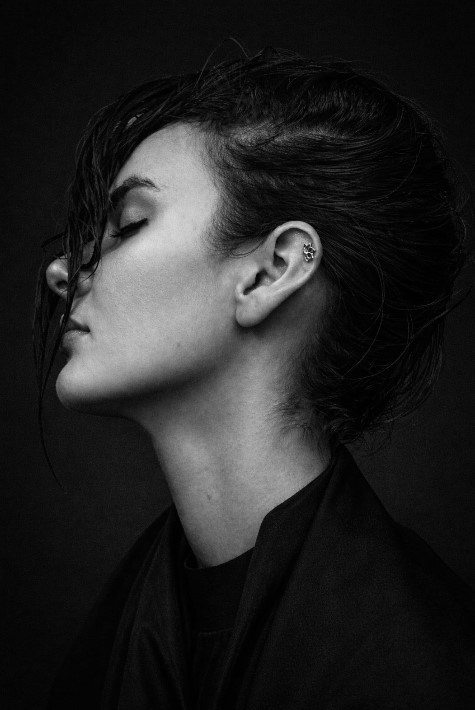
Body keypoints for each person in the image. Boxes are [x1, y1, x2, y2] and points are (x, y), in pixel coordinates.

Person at [35, 47, 475, 709]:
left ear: (273, 272)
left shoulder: (417, 667)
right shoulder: (122, 629)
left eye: (128, 225)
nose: (61, 272)